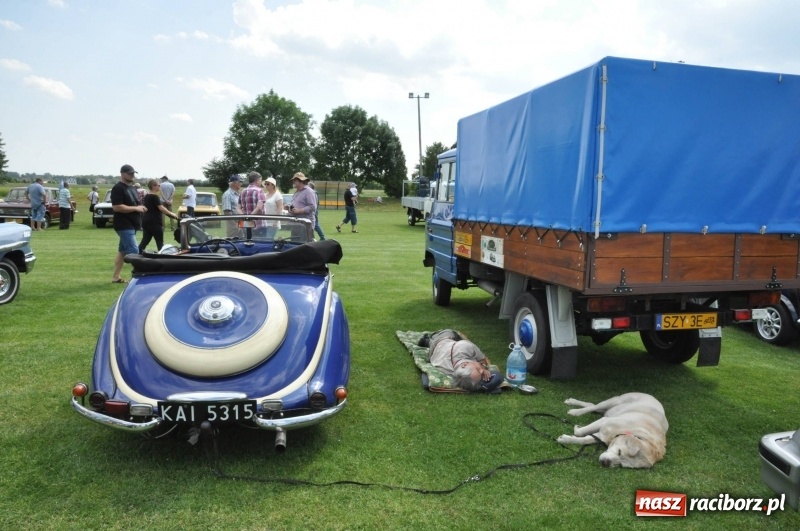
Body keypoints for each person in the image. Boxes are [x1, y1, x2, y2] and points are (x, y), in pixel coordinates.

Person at [418, 329, 503, 392]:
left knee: (448, 333)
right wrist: (484, 367)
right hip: (433, 352)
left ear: (464, 365)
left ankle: (428, 341)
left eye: (478, 370)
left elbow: (482, 361)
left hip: (441, 341)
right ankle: (427, 341)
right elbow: (483, 361)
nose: (481, 370)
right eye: (480, 372)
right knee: (450, 335)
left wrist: (482, 368)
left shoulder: (464, 347)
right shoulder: (452, 370)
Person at [111, 164, 147, 283]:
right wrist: (136, 209)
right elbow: (117, 207)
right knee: (134, 252)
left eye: (133, 173)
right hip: (123, 224)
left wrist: (140, 207)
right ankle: (141, 278)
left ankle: (116, 277)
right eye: (130, 173)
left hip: (132, 224)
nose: (132, 175)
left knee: (122, 251)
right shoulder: (118, 188)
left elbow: (132, 205)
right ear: (122, 174)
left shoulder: (132, 188)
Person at [139, 179, 180, 253]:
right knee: (159, 241)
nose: (160, 186)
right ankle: (162, 258)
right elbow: (161, 208)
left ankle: (137, 254)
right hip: (154, 222)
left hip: (146, 221)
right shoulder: (155, 197)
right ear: (153, 186)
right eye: (158, 185)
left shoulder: (147, 196)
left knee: (145, 240)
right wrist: (172, 214)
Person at [239, 171, 267, 236]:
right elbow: (259, 208)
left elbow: (238, 207)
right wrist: (250, 217)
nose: (261, 182)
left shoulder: (243, 191)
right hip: (259, 225)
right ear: (257, 180)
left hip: (245, 224)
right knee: (259, 245)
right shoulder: (259, 191)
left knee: (247, 243)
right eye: (260, 180)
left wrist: (245, 218)